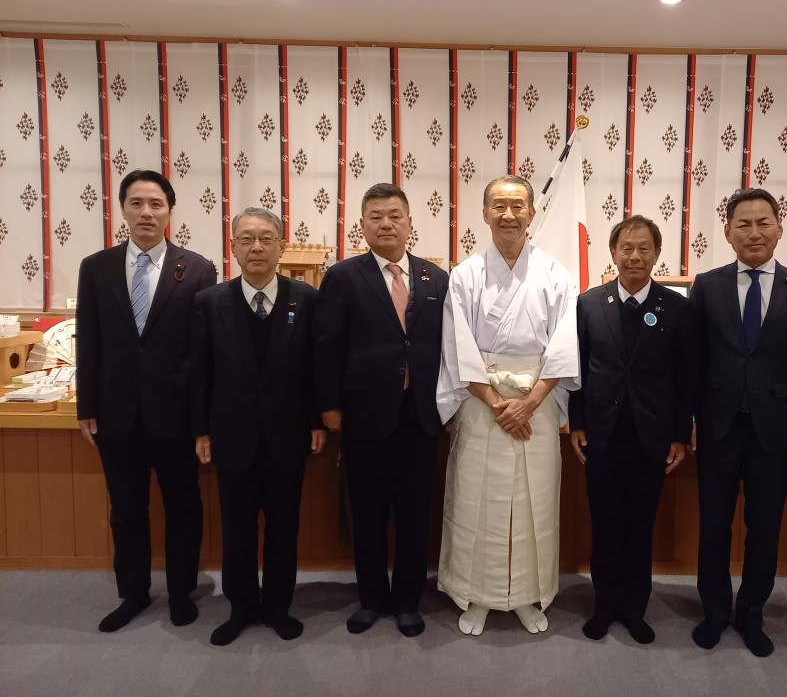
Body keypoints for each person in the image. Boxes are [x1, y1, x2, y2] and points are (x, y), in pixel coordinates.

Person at [437, 174, 579, 636]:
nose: (508, 214)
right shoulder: (465, 274)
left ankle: (523, 595)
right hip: (483, 405)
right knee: (478, 500)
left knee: (532, 502)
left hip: (536, 405)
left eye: (518, 206)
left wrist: (530, 402)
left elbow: (563, 347)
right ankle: (476, 594)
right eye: (498, 205)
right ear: (484, 213)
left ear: (532, 214)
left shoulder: (556, 275)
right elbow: (458, 347)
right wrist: (499, 403)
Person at [75, 169, 216, 632]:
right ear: (123, 210)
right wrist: (86, 408)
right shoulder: (96, 268)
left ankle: (180, 592)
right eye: (136, 203)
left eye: (156, 204)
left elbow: (202, 354)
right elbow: (89, 342)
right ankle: (132, 593)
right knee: (126, 508)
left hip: (174, 415)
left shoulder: (196, 268)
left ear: (170, 211)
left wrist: (202, 422)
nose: (146, 213)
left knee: (183, 506)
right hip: (116, 415)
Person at [689, 187, 787, 657]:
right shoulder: (706, 285)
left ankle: (751, 615)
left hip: (776, 429)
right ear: (727, 233)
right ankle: (713, 612)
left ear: (780, 229)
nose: (753, 232)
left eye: (763, 222)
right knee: (714, 525)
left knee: (765, 527)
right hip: (717, 426)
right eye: (742, 224)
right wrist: (686, 422)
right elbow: (694, 361)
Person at [314, 183, 448, 637]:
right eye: (375, 216)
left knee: (414, 514)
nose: (386, 223)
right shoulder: (342, 277)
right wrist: (328, 407)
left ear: (411, 223)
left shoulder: (435, 278)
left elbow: (446, 349)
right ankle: (371, 598)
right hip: (363, 416)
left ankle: (408, 601)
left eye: (395, 215)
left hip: (420, 416)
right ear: (363, 225)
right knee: (367, 513)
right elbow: (326, 346)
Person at [190, 207, 325, 646]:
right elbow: (200, 374)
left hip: (289, 436)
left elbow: (314, 370)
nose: (257, 248)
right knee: (239, 529)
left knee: (284, 527)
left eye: (266, 238)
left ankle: (277, 608)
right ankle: (242, 607)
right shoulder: (210, 303)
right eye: (246, 239)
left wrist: (316, 421)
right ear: (232, 248)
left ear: (282, 246)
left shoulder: (305, 298)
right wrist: (201, 430)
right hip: (232, 437)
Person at [569, 216, 692, 644]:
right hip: (601, 434)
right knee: (604, 524)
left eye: (644, 248)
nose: (634, 256)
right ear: (613, 252)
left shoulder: (677, 307)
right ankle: (604, 606)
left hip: (652, 437)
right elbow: (578, 369)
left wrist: (679, 434)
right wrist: (578, 423)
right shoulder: (589, 303)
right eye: (626, 247)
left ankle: (635, 608)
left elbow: (683, 378)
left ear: (657, 254)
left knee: (641, 526)